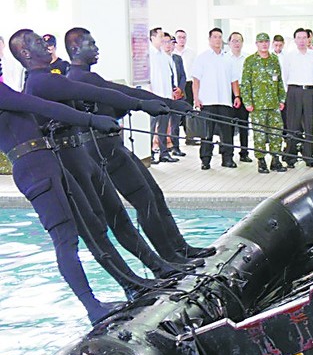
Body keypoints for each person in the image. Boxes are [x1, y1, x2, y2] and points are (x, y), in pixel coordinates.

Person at [64, 27, 206, 262]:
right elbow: (123, 94)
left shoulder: (85, 77)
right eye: (91, 44)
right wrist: (167, 103)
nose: (97, 48)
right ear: (75, 48)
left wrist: (167, 104)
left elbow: (118, 101)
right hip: (102, 149)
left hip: (111, 145)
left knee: (154, 194)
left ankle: (180, 248)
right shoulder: (80, 78)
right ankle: (171, 257)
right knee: (144, 200)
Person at [0, 82, 128, 324]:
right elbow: (42, 106)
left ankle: (114, 292)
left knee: (87, 226)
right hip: (34, 168)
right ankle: (92, 307)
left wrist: (46, 127)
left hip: (45, 162)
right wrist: (91, 120)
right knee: (65, 239)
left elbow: (21, 122)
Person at [191, 27, 241, 170]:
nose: (217, 40)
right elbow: (196, 80)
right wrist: (196, 98)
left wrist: (237, 96)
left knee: (227, 133)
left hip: (225, 101)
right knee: (207, 133)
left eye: (220, 37)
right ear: (209, 39)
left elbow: (234, 80)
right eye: (215, 37)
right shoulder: (202, 57)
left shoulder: (228, 58)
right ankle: (205, 160)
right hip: (207, 101)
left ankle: (228, 159)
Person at [240, 32, 287, 174]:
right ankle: (261, 161)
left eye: (266, 41)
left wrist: (282, 99)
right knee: (259, 134)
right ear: (256, 44)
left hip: (274, 104)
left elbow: (279, 81)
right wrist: (247, 102)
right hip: (257, 105)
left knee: (276, 133)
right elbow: (245, 83)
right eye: (261, 42)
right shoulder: (250, 61)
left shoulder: (274, 60)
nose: (264, 44)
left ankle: (275, 160)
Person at [280, 27, 313, 168]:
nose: (302, 40)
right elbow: (284, 76)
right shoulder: (289, 55)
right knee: (293, 125)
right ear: (295, 40)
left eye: (304, 37)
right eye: (299, 38)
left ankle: (309, 156)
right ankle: (290, 157)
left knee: (309, 125)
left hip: (309, 91)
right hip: (294, 91)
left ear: (308, 39)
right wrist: (289, 93)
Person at [149, 27, 178, 163]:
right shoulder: (148, 55)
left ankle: (164, 153)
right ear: (153, 38)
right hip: (153, 97)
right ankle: (149, 153)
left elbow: (170, 77)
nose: (162, 39)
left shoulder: (165, 56)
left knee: (163, 126)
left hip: (166, 97)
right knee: (151, 126)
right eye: (160, 36)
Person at [227, 32, 252, 163]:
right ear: (229, 43)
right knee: (228, 125)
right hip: (228, 93)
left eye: (239, 41)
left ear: (242, 43)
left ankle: (244, 152)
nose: (236, 43)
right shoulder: (225, 58)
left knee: (244, 124)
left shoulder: (248, 58)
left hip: (244, 93)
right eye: (234, 41)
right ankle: (228, 153)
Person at [163, 32, 187, 157]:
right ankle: (163, 148)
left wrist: (180, 89)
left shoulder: (177, 58)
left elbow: (183, 76)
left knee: (176, 123)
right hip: (167, 94)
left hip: (178, 95)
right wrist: (172, 89)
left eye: (173, 44)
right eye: (168, 43)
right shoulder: (161, 59)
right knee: (163, 123)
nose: (171, 46)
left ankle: (176, 146)